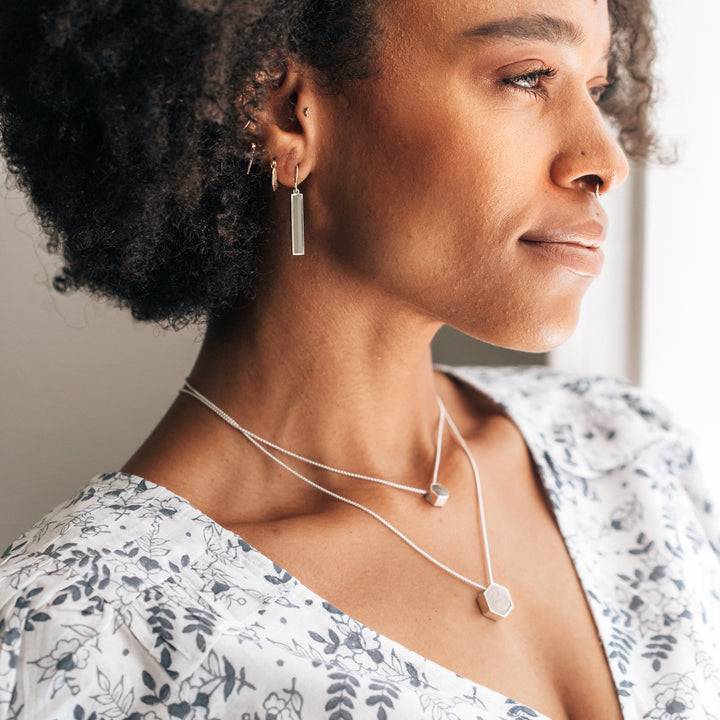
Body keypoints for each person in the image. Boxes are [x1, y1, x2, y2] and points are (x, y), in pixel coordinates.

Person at [0, 0, 718, 719]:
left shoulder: (630, 451)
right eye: (529, 77)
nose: (606, 161)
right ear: (285, 113)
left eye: (594, 90)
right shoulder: (79, 642)